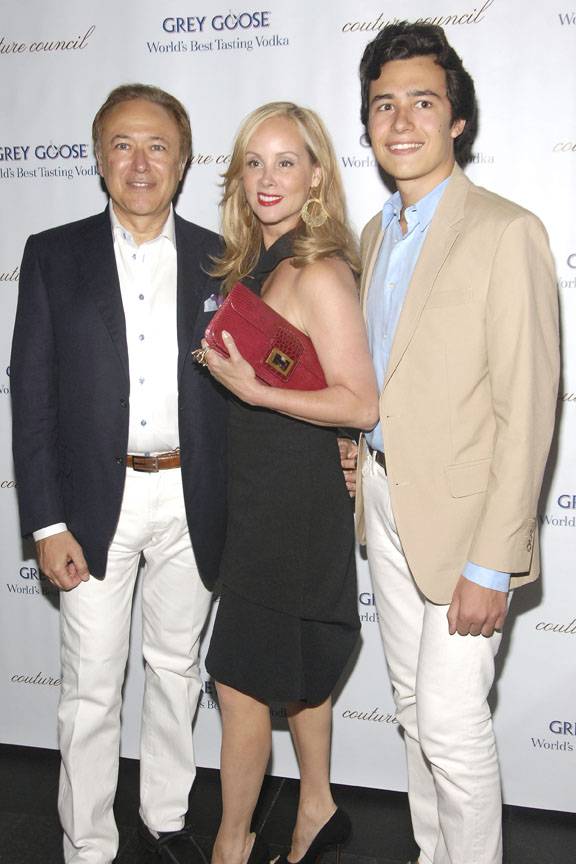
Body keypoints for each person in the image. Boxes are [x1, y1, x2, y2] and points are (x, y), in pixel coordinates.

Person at [340, 22, 559, 864]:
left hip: (468, 526)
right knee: (411, 710)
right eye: (384, 105)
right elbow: (390, 376)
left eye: (422, 102)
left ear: (457, 119)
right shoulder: (375, 235)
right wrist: (360, 441)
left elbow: (528, 410)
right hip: (386, 500)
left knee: (452, 723)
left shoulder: (508, 231)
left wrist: (493, 564)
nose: (401, 121)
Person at [10, 84, 227, 864]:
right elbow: (31, 395)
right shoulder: (52, 254)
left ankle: (165, 819)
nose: (140, 163)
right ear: (99, 159)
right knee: (91, 685)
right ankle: (88, 843)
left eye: (157, 146)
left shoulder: (221, 258)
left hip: (193, 499)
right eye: (122, 145)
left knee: (176, 670)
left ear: (183, 160)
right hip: (90, 505)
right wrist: (45, 521)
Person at [199, 102, 379, 864]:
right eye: (254, 162)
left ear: (317, 176)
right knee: (298, 672)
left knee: (239, 684)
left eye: (285, 162)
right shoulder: (260, 264)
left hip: (293, 511)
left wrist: (257, 392)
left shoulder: (316, 271)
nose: (267, 178)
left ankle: (230, 847)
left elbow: (361, 403)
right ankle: (316, 806)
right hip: (264, 499)